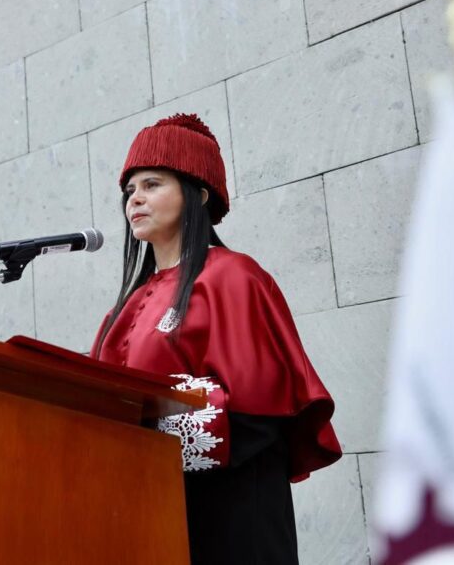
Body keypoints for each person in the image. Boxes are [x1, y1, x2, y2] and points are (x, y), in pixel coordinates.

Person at [90, 114, 342, 564]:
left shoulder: (233, 276)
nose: (135, 199)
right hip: (151, 507)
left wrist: (147, 434)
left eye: (152, 184)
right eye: (130, 190)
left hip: (231, 513)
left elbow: (258, 411)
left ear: (198, 194)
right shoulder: (127, 305)